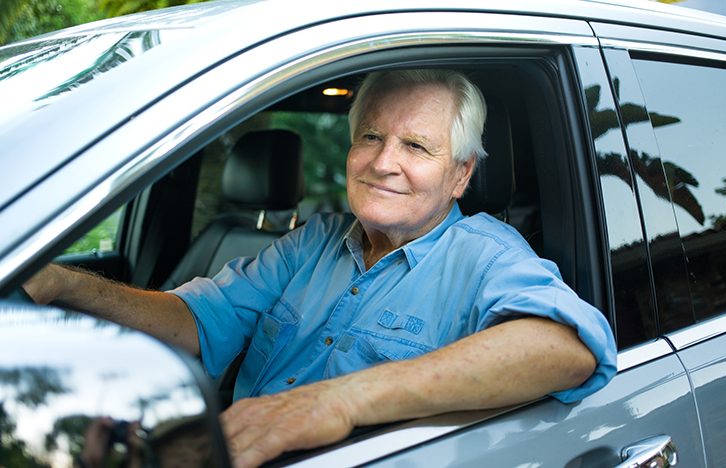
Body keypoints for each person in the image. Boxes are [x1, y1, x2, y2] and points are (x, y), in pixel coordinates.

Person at [24, 70, 617, 468]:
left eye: (416, 147)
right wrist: (66, 285)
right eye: (371, 136)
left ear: (460, 174)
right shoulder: (315, 240)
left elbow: (568, 345)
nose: (384, 162)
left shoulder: (486, 254)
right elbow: (198, 322)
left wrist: (340, 401)